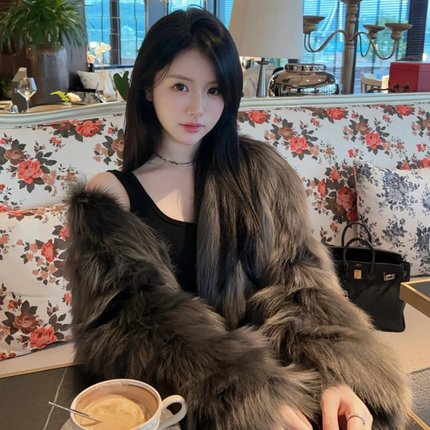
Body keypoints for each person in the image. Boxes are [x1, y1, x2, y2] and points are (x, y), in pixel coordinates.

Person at [66, 7, 410, 430]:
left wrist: (335, 375)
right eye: (180, 86)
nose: (197, 108)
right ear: (148, 89)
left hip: (287, 383)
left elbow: (301, 289)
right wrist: (245, 398)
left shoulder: (261, 175)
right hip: (181, 402)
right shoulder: (111, 197)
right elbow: (118, 332)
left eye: (214, 90)